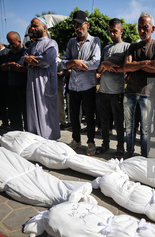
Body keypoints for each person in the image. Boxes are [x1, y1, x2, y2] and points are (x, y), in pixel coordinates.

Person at [123, 12, 155, 158]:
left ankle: (144, 156)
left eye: (145, 27)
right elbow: (126, 66)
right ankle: (129, 152)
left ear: (152, 28)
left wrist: (135, 65)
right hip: (130, 92)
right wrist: (147, 63)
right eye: (139, 27)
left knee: (145, 129)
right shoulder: (132, 46)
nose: (141, 31)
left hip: (147, 94)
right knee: (129, 127)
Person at [62, 10, 101, 156]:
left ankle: (90, 142)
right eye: (75, 25)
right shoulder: (71, 42)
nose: (77, 28)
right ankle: (76, 140)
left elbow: (96, 62)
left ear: (87, 25)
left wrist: (77, 65)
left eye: (80, 25)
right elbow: (63, 62)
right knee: (74, 116)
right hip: (73, 86)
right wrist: (72, 62)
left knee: (89, 116)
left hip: (88, 85)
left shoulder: (95, 40)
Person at [95, 18, 130, 159]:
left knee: (118, 122)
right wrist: (104, 64)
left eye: (114, 31)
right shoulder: (106, 48)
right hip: (103, 90)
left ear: (121, 31)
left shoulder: (127, 47)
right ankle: (105, 144)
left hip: (117, 92)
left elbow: (125, 68)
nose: (112, 34)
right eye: (110, 31)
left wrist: (109, 66)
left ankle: (120, 147)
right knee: (104, 121)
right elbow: (99, 69)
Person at [22, 17, 60, 140]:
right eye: (31, 26)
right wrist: (26, 59)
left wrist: (31, 60)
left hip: (45, 84)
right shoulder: (32, 45)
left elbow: (47, 59)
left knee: (45, 113)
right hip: (32, 84)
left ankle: (49, 141)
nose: (32, 29)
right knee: (33, 110)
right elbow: (23, 58)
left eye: (35, 26)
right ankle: (36, 139)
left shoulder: (51, 43)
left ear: (44, 28)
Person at [1, 31, 28, 131]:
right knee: (14, 112)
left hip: (24, 86)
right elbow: (2, 67)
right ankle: (17, 132)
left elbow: (27, 68)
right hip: (12, 86)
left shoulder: (26, 52)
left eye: (13, 43)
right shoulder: (10, 53)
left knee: (26, 112)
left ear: (19, 41)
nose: (11, 46)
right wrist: (9, 64)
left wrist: (17, 68)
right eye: (9, 43)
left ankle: (28, 133)